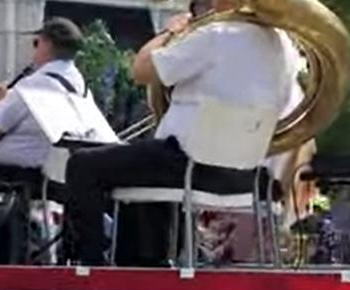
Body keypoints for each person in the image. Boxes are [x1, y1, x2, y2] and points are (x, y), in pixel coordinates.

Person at [63, 0, 295, 265]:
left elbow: (140, 71)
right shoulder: (284, 45)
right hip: (248, 174)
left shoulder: (214, 36)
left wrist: (170, 32)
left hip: (190, 167)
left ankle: (91, 267)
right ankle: (145, 263)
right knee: (140, 160)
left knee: (82, 164)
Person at [0, 18, 93, 186]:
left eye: (36, 43)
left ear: (46, 45)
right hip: (57, 181)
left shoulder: (32, 86)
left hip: (10, 180)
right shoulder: (83, 90)